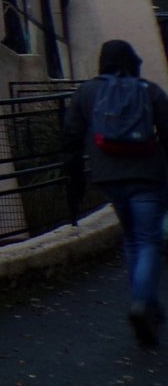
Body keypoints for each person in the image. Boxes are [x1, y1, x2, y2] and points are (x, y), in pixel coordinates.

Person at [63, 40, 168, 347]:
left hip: (108, 178)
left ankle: (145, 303)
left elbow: (70, 136)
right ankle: (142, 301)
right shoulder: (149, 91)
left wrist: (75, 181)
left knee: (133, 237)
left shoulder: (86, 93)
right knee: (149, 239)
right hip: (148, 177)